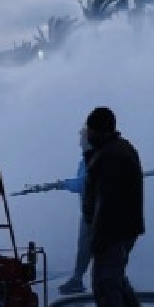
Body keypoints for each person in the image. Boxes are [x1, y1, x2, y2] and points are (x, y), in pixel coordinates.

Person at [81, 107, 154, 307]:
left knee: (104, 282)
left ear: (95, 129)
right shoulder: (120, 149)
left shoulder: (109, 156)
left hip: (112, 229)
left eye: (88, 129)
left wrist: (98, 237)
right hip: (125, 227)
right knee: (117, 279)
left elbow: (106, 201)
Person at [57, 126, 91, 294]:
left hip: (94, 213)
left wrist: (63, 184)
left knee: (87, 247)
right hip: (91, 212)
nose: (80, 144)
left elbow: (82, 183)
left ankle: (78, 279)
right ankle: (78, 279)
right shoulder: (87, 160)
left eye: (82, 139)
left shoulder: (93, 159)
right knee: (86, 247)